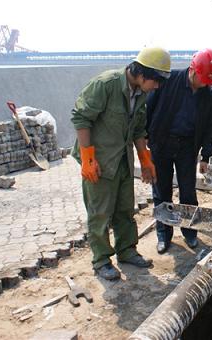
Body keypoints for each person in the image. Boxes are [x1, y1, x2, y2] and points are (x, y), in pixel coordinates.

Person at [71, 47, 171, 280]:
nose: (157, 87)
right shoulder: (105, 85)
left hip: (123, 160)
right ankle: (101, 260)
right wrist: (87, 158)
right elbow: (81, 118)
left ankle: (126, 251)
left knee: (125, 210)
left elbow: (137, 129)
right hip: (100, 162)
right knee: (100, 213)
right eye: (156, 81)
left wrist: (145, 159)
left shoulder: (141, 94)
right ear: (143, 73)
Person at [146, 48, 212, 254]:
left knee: (188, 191)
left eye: (208, 82)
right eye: (203, 79)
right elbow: (148, 107)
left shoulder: (209, 96)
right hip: (162, 143)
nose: (204, 84)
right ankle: (164, 234)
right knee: (162, 191)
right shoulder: (168, 82)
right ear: (193, 70)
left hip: (188, 147)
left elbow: (211, 126)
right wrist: (144, 137)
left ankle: (190, 231)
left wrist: (206, 155)